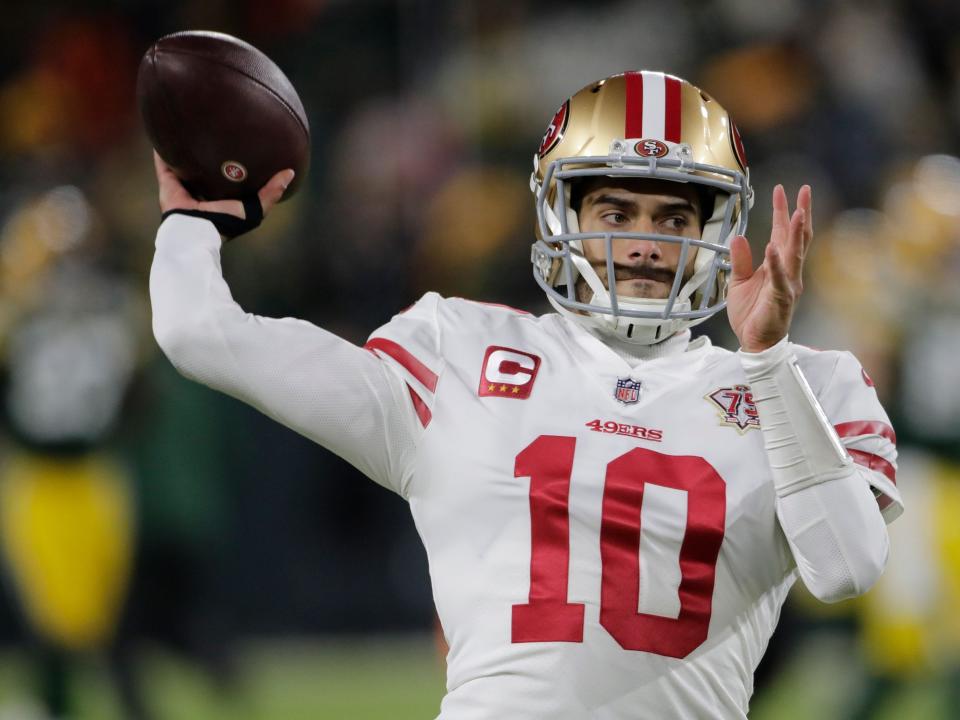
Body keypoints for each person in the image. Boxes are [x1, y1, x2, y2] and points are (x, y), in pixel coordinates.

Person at [149, 71, 901, 719]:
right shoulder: (459, 350)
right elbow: (198, 333)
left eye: (674, 218)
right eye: (615, 212)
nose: (643, 243)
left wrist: (766, 362)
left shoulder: (802, 384)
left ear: (716, 231)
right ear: (562, 216)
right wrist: (194, 221)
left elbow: (845, 568)